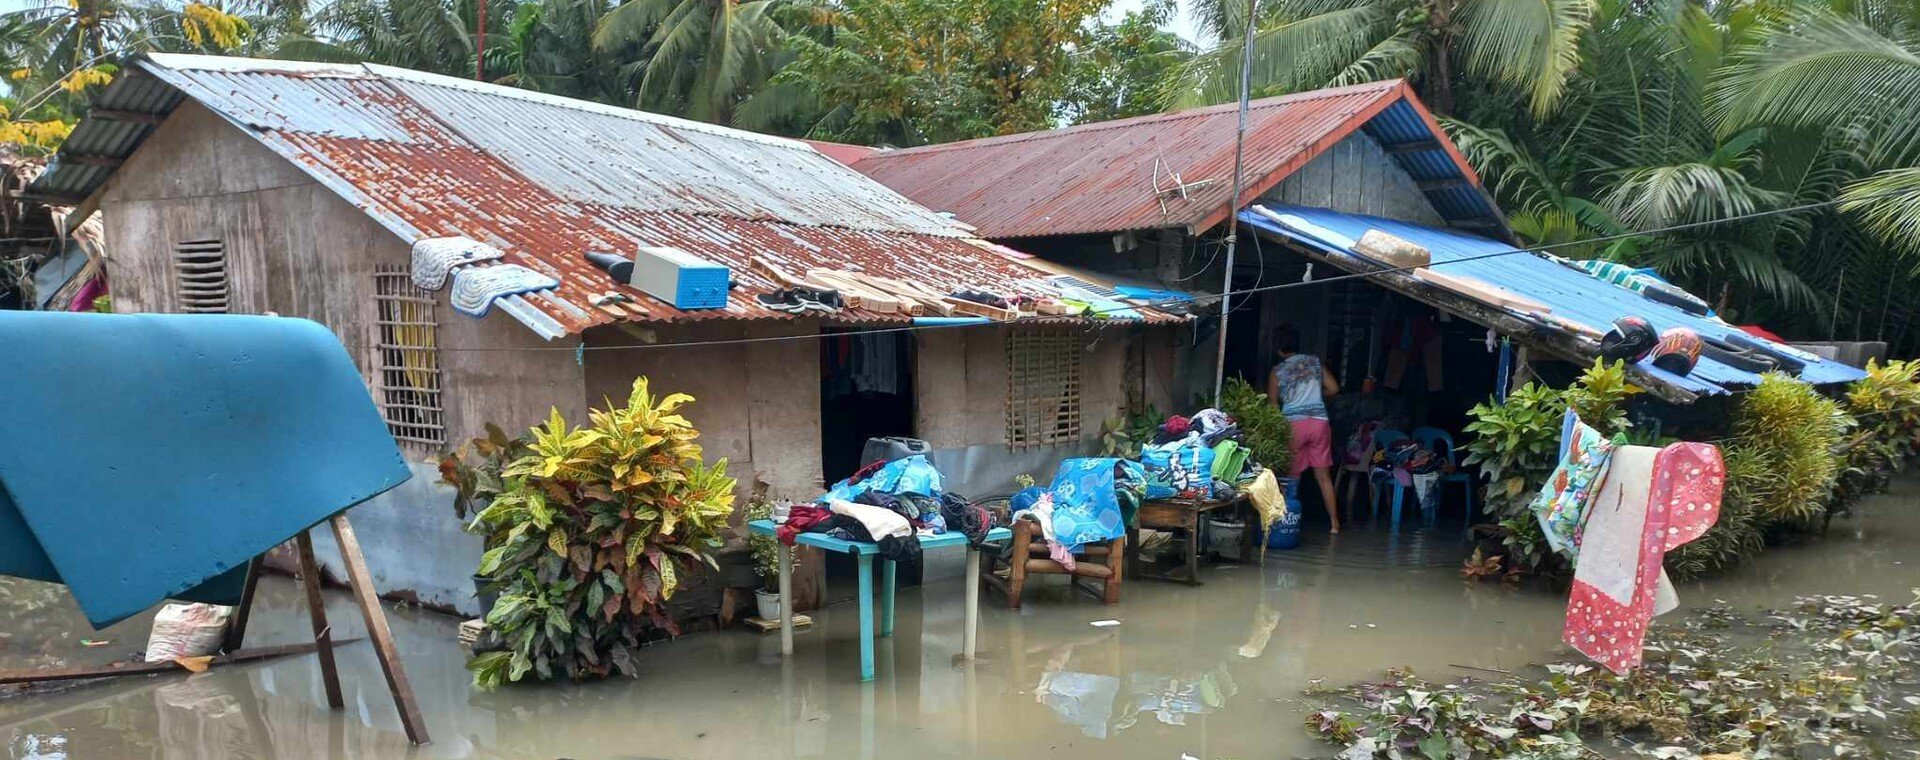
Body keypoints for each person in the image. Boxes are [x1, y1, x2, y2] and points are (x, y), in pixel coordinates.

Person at [1269, 324, 1342, 533]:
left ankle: (1287, 524)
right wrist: (1317, 397)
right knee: (1323, 477)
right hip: (1319, 422)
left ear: (1278, 348)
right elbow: (1334, 388)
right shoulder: (1314, 362)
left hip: (1294, 425)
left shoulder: (1277, 372)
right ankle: (1335, 524)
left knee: (1291, 476)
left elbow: (1273, 406)